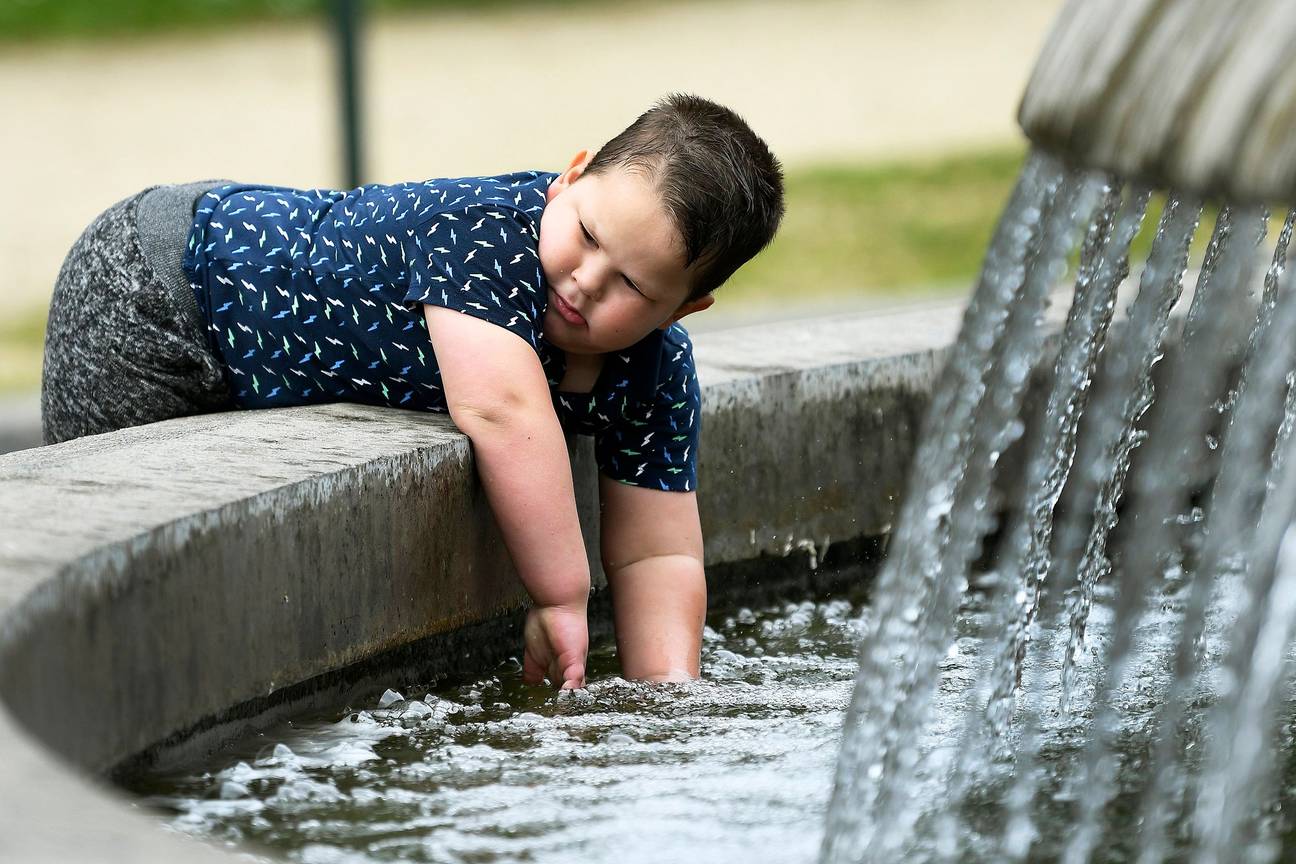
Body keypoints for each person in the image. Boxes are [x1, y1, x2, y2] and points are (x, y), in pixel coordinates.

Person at [40, 93, 785, 689]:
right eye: (587, 234)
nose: (585, 280)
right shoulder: (489, 237)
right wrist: (562, 597)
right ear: (569, 177)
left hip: (249, 333)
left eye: (630, 283)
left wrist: (665, 701)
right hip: (162, 292)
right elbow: (503, 411)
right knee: (107, 570)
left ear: (683, 310)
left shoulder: (659, 372)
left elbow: (659, 555)